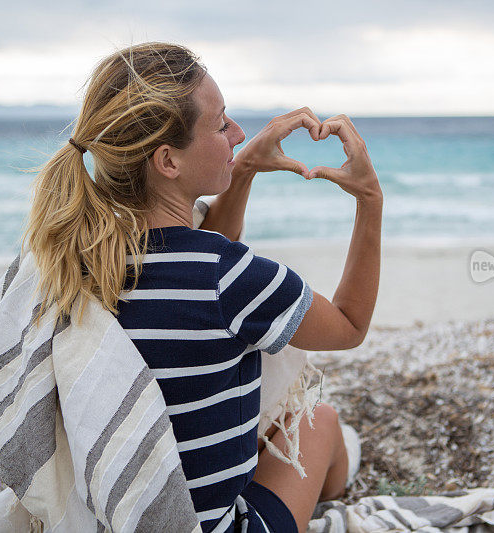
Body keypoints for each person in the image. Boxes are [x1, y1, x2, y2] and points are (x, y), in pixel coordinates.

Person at [24, 42, 382, 533]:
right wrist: (369, 199)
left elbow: (202, 260)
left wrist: (246, 166)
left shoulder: (79, 258)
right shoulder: (226, 275)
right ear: (167, 161)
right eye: (221, 125)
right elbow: (349, 325)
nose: (237, 134)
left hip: (117, 511)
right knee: (320, 424)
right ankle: (338, 491)